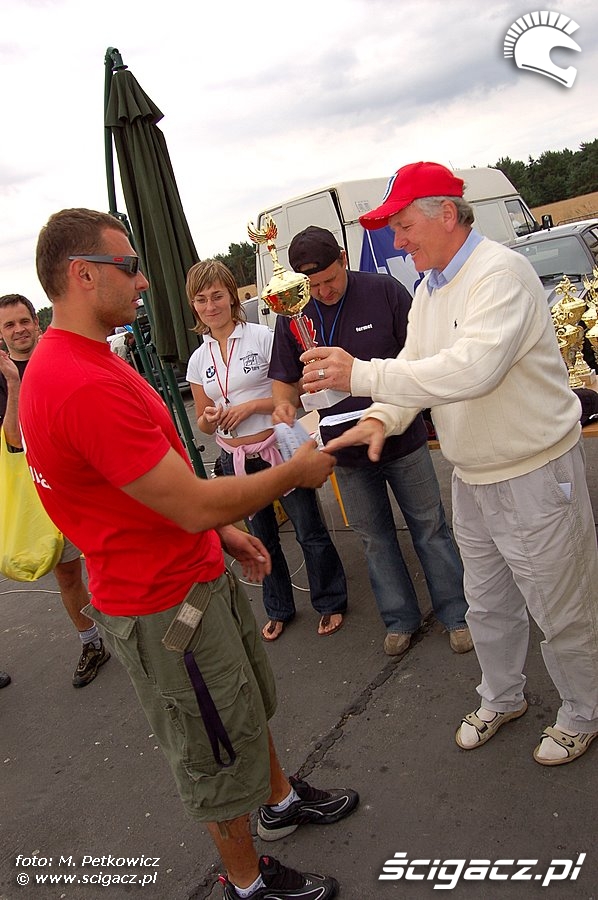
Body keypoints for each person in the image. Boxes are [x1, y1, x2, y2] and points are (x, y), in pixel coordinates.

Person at [19, 208, 358, 900]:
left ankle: (279, 801)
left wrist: (218, 534)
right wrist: (292, 473)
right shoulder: (79, 381)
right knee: (214, 750)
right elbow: (191, 501)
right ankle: (246, 882)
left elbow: (143, 490)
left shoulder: (88, 361)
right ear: (82, 275)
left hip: (189, 576)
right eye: (129, 266)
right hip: (163, 606)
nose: (144, 281)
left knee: (242, 708)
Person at [301, 161, 598, 767]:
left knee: (562, 607)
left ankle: (583, 711)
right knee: (486, 603)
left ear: (445, 214)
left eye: (403, 226)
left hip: (534, 474)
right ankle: (502, 696)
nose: (397, 242)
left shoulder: (500, 272)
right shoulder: (431, 289)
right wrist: (382, 417)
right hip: (474, 477)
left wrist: (362, 375)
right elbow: (416, 367)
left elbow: (473, 370)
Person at [268, 226, 471, 657]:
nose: (322, 291)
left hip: (402, 435)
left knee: (430, 526)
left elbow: (420, 357)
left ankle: (458, 615)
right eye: (312, 285)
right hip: (343, 449)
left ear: (343, 259)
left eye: (329, 280)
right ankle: (400, 620)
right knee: (373, 537)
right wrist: (284, 406)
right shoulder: (291, 314)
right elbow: (284, 379)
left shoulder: (384, 291)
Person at [185, 259, 348, 641]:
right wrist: (211, 417)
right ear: (193, 305)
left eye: (217, 296)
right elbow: (202, 422)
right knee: (261, 538)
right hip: (236, 460)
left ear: (232, 297)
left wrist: (250, 407)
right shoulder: (198, 359)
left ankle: (330, 600)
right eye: (201, 299)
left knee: (308, 530)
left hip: (278, 448)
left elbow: (292, 393)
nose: (210, 306)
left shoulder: (261, 337)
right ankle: (278, 608)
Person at [0, 293, 110, 688]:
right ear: (1, 334)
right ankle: (92, 644)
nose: (19, 330)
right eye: (9, 325)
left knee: (110, 559)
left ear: (37, 322)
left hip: (88, 484)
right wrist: (14, 383)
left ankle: (138, 631)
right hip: (42, 494)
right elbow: (14, 441)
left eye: (23, 321)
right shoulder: (3, 378)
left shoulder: (59, 356)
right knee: (68, 576)